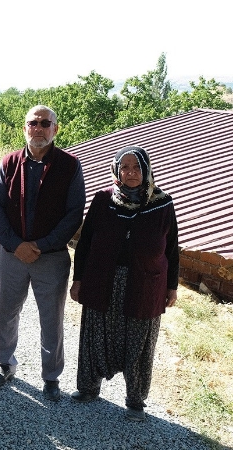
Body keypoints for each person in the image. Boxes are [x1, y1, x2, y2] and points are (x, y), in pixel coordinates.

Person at [70, 146, 178, 422]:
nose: (130, 173)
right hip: (102, 280)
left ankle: (135, 400)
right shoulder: (103, 200)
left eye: (136, 167)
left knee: (139, 343)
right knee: (95, 335)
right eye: (125, 168)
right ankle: (89, 388)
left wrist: (172, 287)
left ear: (146, 170)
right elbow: (85, 244)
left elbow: (172, 249)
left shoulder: (163, 204)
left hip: (145, 285)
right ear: (117, 172)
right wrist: (78, 279)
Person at [0, 105, 86, 401]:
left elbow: (74, 214)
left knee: (51, 319)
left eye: (46, 123)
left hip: (51, 257)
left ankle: (51, 377)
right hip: (12, 254)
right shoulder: (9, 162)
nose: (39, 128)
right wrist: (14, 244)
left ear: (55, 129)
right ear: (25, 128)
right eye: (34, 123)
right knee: (7, 312)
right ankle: (5, 363)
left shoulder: (70, 165)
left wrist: (41, 245)